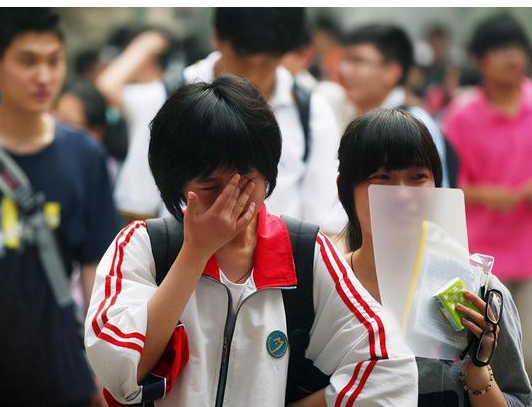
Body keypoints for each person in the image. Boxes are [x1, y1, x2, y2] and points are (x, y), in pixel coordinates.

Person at [84, 75, 417, 407]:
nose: (232, 199)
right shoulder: (144, 246)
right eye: (211, 187)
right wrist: (195, 253)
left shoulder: (305, 253)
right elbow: (117, 370)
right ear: (177, 184)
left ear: (268, 173)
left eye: (247, 182)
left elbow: (392, 368)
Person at [0, 8, 118, 405]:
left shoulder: (85, 157)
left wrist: (101, 377)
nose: (44, 76)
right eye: (28, 61)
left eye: (54, 61)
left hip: (63, 380)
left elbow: (97, 276)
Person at [337, 108, 532, 407]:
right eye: (382, 178)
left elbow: (519, 400)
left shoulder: (478, 294)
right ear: (344, 191)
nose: (402, 194)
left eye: (417, 177)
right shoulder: (326, 286)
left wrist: (478, 368)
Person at [97, 8, 343, 234]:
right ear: (217, 39)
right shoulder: (167, 99)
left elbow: (321, 223)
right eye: (244, 62)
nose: (253, 77)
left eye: (268, 64)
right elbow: (138, 207)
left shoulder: (312, 112)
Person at [443, 13, 532, 383]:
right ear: (478, 60)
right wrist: (485, 193)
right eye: (499, 50)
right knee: (483, 356)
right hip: (480, 258)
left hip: (529, 251)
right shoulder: (462, 116)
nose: (512, 57)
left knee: (528, 356)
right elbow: (447, 183)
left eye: (517, 48)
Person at [338, 23, 452, 188]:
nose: (343, 69)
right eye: (344, 60)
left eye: (357, 61)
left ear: (392, 71)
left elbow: (436, 194)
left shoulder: (415, 123)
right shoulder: (342, 114)